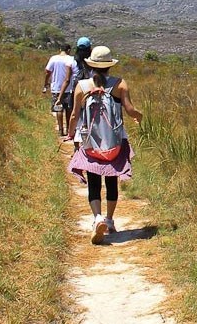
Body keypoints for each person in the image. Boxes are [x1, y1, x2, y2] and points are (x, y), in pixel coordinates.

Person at [67, 45, 143, 244]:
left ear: (91, 64)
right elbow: (130, 109)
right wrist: (139, 116)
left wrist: (70, 133)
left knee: (93, 180)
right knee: (111, 180)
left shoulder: (82, 86)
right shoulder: (119, 84)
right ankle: (109, 220)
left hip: (90, 142)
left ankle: (97, 217)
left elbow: (75, 114)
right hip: (115, 142)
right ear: (110, 66)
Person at [56, 37, 93, 142]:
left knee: (76, 115)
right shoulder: (92, 62)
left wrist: (60, 96)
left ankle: (74, 139)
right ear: (89, 48)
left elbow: (67, 80)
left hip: (76, 92)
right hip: (91, 93)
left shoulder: (72, 61)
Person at [43, 44, 74, 137]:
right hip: (69, 87)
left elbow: (48, 71)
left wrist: (46, 82)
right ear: (69, 50)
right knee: (68, 109)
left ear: (60, 49)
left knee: (58, 108)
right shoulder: (71, 59)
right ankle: (69, 129)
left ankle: (61, 130)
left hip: (56, 87)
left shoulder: (54, 58)